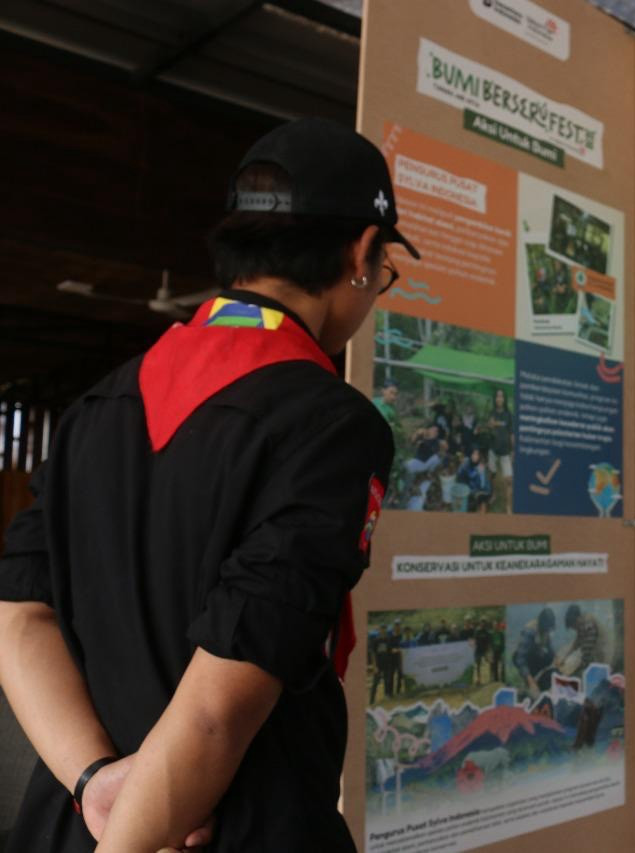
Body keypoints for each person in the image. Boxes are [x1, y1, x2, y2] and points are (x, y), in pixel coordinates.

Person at [0, 116, 417, 851]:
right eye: (382, 270)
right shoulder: (330, 424)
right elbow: (215, 711)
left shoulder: (100, 404)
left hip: (72, 823)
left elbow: (18, 620)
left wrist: (96, 780)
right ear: (361, 253)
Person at [513, 608, 556, 696]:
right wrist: (531, 681)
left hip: (537, 655)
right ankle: (527, 683)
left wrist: (555, 658)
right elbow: (520, 659)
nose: (548, 631)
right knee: (533, 691)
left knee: (550, 656)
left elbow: (549, 647)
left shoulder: (546, 629)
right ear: (542, 624)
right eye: (547, 629)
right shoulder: (529, 631)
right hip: (524, 658)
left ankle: (539, 678)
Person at [486, 388, 514, 512]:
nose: (499, 398)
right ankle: (494, 494)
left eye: (501, 396)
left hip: (505, 452)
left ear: (504, 399)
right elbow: (490, 428)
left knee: (509, 480)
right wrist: (490, 426)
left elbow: (512, 434)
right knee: (492, 474)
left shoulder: (509, 415)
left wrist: (513, 450)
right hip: (493, 450)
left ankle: (508, 506)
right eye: (497, 396)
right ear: (495, 399)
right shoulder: (492, 413)